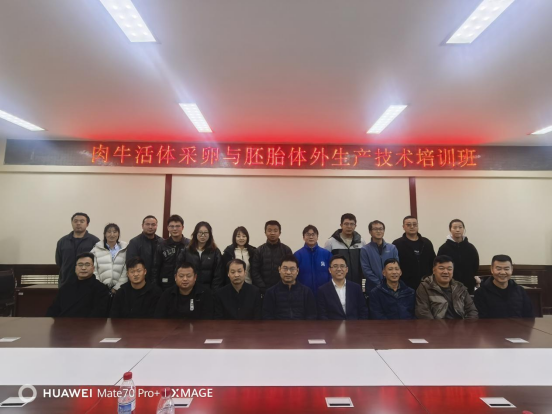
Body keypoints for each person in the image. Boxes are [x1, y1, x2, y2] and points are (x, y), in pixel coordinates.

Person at [46, 252, 110, 317]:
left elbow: (98, 314)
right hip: (62, 322)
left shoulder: (101, 289)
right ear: (75, 268)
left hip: (86, 323)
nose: (83, 268)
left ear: (93, 268)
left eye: (87, 265)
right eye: (80, 264)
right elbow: (53, 309)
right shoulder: (66, 287)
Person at [415, 255, 478, 320]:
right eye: (441, 268)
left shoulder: (460, 287)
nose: (445, 272)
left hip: (461, 325)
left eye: (449, 269)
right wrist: (435, 326)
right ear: (434, 270)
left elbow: (472, 310)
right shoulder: (425, 287)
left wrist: (467, 325)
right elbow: (423, 312)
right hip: (436, 325)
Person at [263, 255, 317, 320]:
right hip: (278, 326)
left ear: (297, 271)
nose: (288, 272)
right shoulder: (271, 292)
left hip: (301, 326)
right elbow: (267, 316)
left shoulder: (307, 292)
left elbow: (312, 315)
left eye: (292, 269)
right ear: (279, 269)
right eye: (285, 268)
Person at [317, 254, 368, 320]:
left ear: (347, 269)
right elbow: (322, 315)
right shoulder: (322, 290)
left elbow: (363, 311)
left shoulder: (356, 288)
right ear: (329, 270)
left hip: (354, 325)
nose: (339, 269)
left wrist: (358, 325)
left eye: (342, 266)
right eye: (335, 266)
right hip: (333, 326)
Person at [55, 212, 100, 287]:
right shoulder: (62, 241)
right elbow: (59, 262)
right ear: (72, 223)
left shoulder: (94, 241)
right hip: (66, 281)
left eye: (82, 221)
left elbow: (98, 263)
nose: (78, 223)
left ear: (87, 224)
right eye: (75, 221)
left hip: (88, 283)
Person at [176, 221, 223, 291]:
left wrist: (213, 293)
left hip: (208, 291)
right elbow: (178, 270)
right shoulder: (186, 251)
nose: (203, 235)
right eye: (200, 232)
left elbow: (218, 275)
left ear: (210, 235)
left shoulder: (215, 252)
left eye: (206, 233)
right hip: (189, 290)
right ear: (195, 233)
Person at [392, 216, 436, 290]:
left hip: (427, 283)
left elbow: (434, 262)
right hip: (405, 284)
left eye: (414, 224)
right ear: (403, 227)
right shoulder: (397, 244)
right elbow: (394, 264)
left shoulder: (426, 242)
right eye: (408, 225)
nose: (412, 227)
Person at [437, 219, 480, 294]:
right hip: (449, 286)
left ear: (463, 229)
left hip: (468, 285)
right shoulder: (443, 248)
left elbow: (475, 265)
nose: (457, 230)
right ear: (450, 229)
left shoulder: (471, 247)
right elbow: (439, 266)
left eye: (460, 227)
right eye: (455, 227)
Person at [251, 220, 293, 294]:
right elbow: (254, 271)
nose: (272, 233)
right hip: (264, 290)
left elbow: (290, 269)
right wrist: (262, 287)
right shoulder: (259, 250)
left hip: (283, 289)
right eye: (269, 230)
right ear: (265, 232)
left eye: (275, 230)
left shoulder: (286, 250)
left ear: (279, 233)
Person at [324, 213, 366, 286]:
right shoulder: (331, 242)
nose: (349, 226)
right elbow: (327, 263)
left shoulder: (361, 242)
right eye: (346, 224)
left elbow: (364, 263)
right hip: (338, 282)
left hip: (357, 283)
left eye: (352, 224)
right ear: (341, 225)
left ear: (355, 226)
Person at [151, 215, 190, 290]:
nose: (174, 229)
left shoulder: (189, 245)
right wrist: (155, 287)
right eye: (172, 226)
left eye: (177, 226)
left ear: (182, 227)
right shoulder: (161, 245)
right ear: (168, 228)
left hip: (185, 284)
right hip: (165, 285)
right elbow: (155, 268)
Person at [360, 220, 399, 294]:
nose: (378, 231)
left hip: (391, 287)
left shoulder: (392, 248)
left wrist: (389, 283)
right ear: (370, 232)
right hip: (373, 288)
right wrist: (380, 284)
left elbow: (396, 267)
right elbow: (366, 270)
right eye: (375, 229)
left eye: (381, 229)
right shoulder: (365, 249)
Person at [294, 225, 331, 297]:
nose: (311, 237)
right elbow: (294, 275)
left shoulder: (326, 254)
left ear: (317, 237)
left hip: (324, 294)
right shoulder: (297, 255)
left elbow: (332, 273)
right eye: (308, 234)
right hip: (303, 294)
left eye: (313, 234)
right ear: (303, 237)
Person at [91, 223, 128, 294]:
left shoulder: (125, 249)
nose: (112, 234)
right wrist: (99, 286)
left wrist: (117, 287)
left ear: (118, 234)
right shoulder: (96, 249)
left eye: (115, 232)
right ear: (105, 234)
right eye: (109, 232)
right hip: (99, 289)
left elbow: (126, 270)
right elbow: (93, 269)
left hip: (120, 289)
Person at [126, 215, 162, 283]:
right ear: (142, 226)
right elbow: (131, 264)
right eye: (147, 224)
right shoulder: (134, 242)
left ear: (156, 226)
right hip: (141, 282)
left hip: (159, 282)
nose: (150, 227)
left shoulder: (162, 242)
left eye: (153, 224)